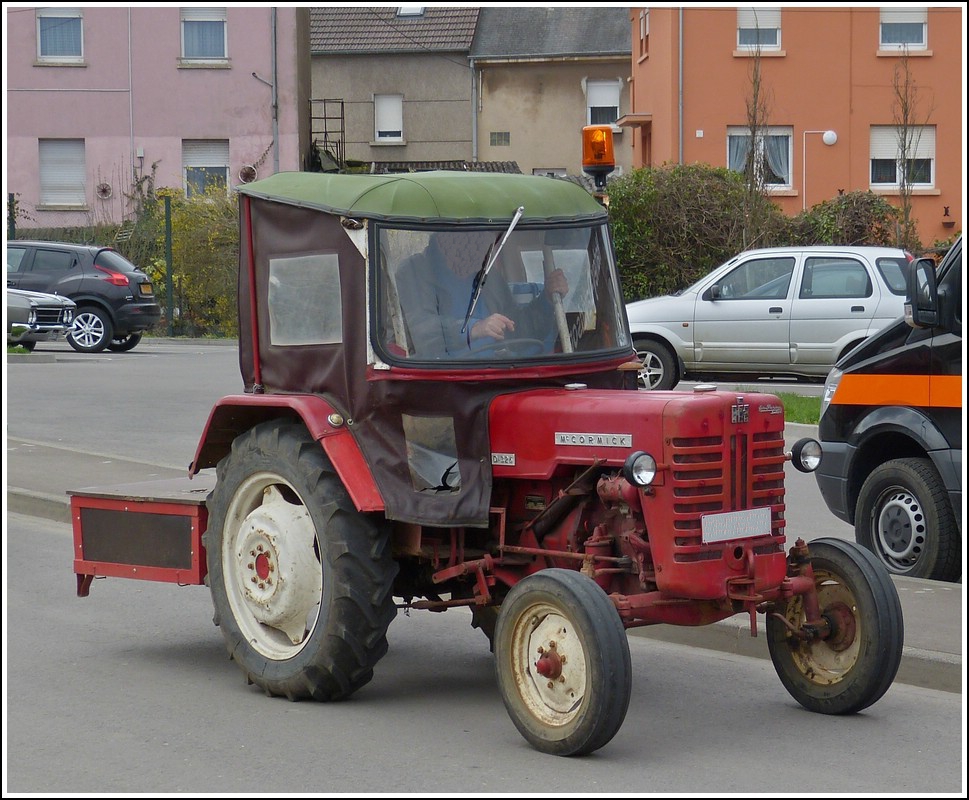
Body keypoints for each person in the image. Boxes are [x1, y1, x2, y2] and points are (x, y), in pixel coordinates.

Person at [395, 230, 569, 358]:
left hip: (494, 376)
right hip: (443, 382)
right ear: (445, 236)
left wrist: (546, 299)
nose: (475, 245)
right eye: (468, 235)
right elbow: (419, 333)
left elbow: (517, 331)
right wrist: (473, 329)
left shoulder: (488, 277)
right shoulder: (415, 271)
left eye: (483, 237)